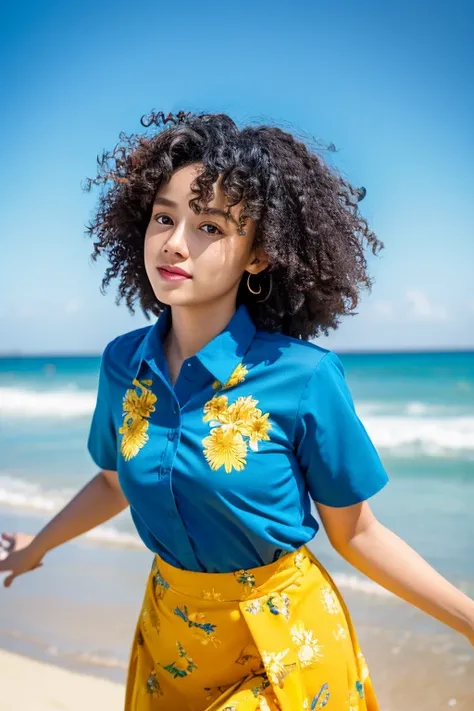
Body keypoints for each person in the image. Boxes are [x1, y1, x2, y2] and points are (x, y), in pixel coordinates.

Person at [1, 110, 473, 711]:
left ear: (258, 255)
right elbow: (112, 481)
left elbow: (359, 534)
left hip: (282, 645)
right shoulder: (123, 365)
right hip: (172, 645)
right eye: (165, 217)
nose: (175, 242)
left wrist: (468, 620)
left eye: (210, 227)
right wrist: (36, 548)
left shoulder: (304, 377)